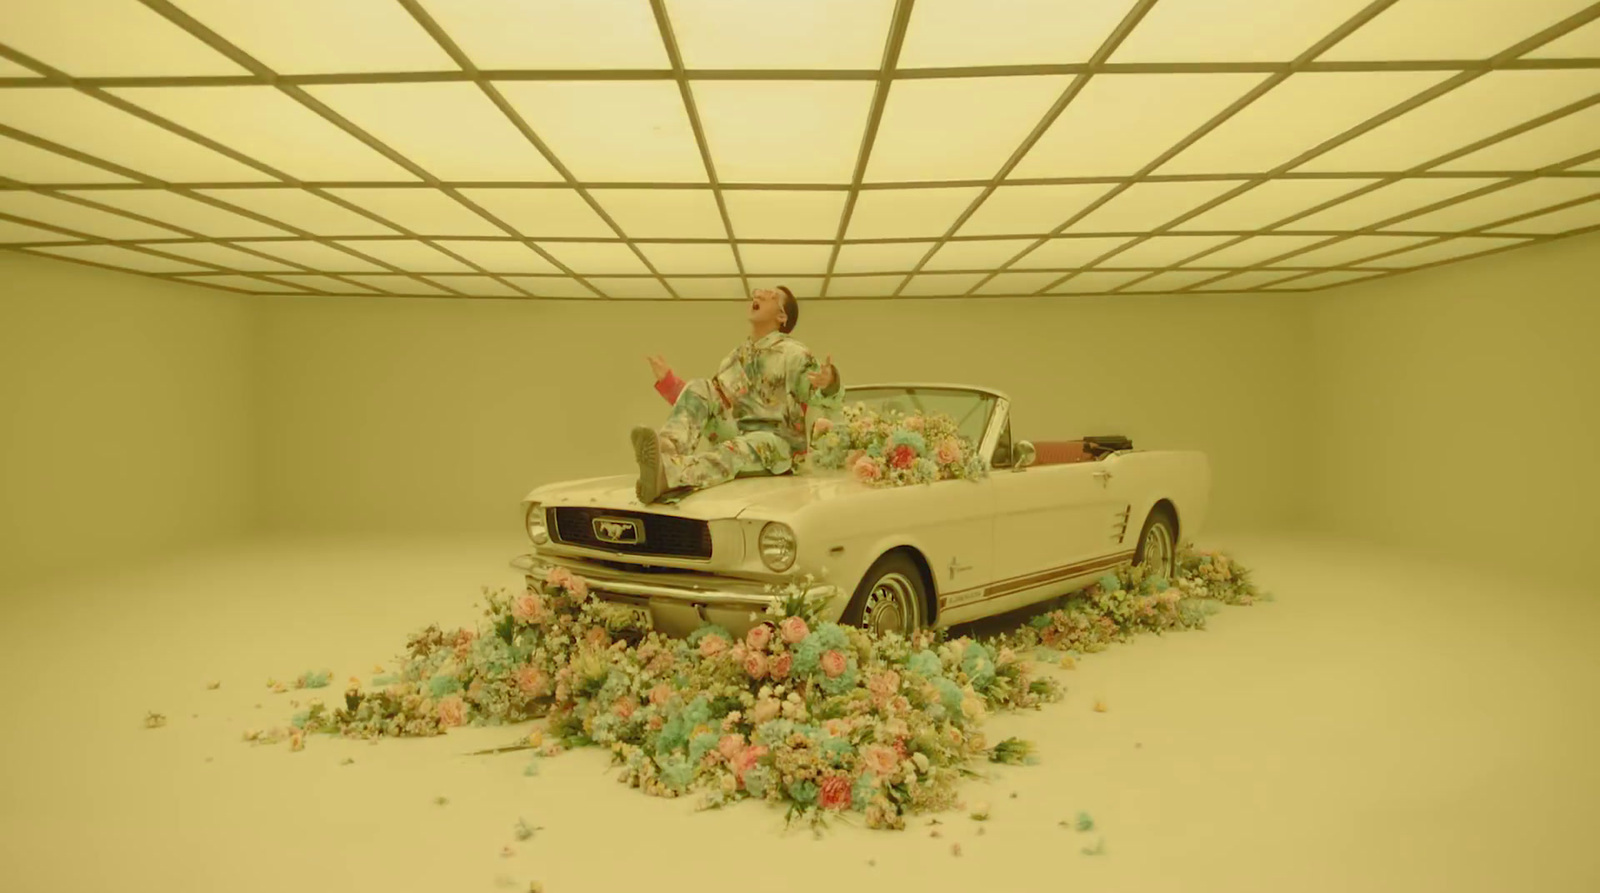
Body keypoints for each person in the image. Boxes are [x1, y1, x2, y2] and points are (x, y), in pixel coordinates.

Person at [631, 286, 842, 504]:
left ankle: (669, 475)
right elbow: (711, 401)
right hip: (740, 433)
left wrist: (829, 381)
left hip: (777, 445)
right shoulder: (736, 357)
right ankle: (667, 449)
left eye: (770, 295)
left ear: (782, 316)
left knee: (737, 449)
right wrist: (668, 382)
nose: (758, 295)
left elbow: (823, 395)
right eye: (757, 292)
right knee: (700, 386)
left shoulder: (795, 353)